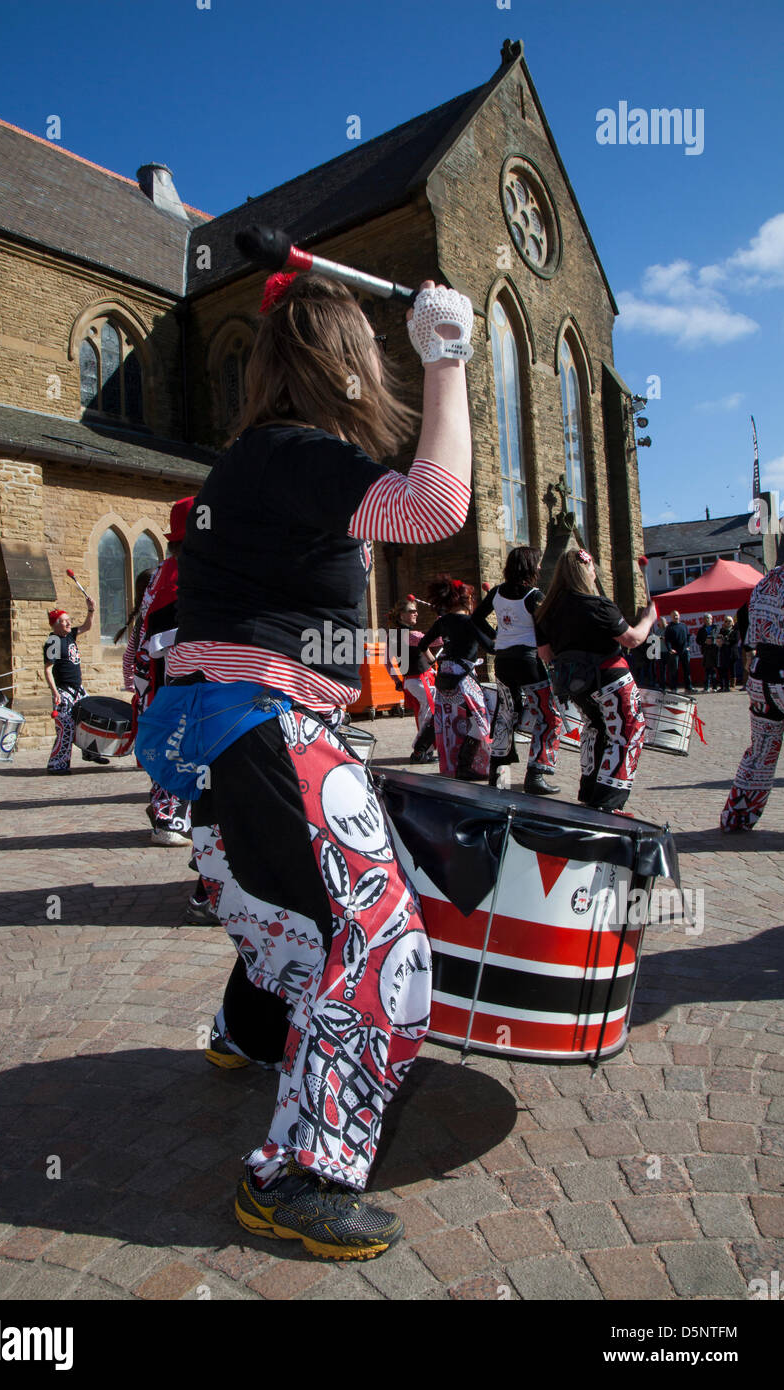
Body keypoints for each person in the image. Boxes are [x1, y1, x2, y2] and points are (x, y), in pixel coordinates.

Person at [154, 271, 473, 1259]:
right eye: (370, 354)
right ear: (341, 365)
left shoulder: (262, 462)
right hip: (255, 715)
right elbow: (435, 509)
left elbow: (308, 617)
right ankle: (298, 1174)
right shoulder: (295, 450)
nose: (378, 368)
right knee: (382, 942)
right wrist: (448, 358)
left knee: (285, 910)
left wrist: (336, 713)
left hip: (233, 717)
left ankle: (247, 1032)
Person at [535, 549, 655, 812]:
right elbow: (632, 639)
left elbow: (546, 654)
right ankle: (608, 799)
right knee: (627, 731)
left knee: (595, 729)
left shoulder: (546, 612)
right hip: (611, 678)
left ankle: (590, 791)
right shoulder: (598, 605)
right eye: (592, 569)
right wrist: (648, 619)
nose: (594, 574)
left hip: (576, 684)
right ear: (586, 572)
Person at [131, 500, 196, 849]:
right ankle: (167, 819)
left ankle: (175, 816)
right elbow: (161, 638)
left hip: (164, 682)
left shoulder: (166, 571)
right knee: (176, 748)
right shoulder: (178, 577)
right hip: (171, 681)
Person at [472, 545, 562, 794]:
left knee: (505, 714)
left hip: (503, 660)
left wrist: (495, 641)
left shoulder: (497, 593)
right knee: (548, 715)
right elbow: (546, 627)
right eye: (538, 563)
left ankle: (497, 770)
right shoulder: (533, 595)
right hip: (528, 660)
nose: (541, 567)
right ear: (530, 566)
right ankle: (537, 774)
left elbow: (476, 617)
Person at [721, 561, 784, 832]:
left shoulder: (767, 579)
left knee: (761, 751)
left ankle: (737, 816)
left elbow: (744, 619)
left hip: (763, 675)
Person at [416, 575, 492, 780]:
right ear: (466, 600)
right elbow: (492, 647)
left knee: (450, 722)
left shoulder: (444, 621)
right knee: (482, 720)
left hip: (445, 679)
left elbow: (423, 644)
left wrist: (434, 662)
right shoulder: (470, 621)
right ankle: (465, 765)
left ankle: (451, 763)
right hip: (464, 679)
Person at [44, 599, 102, 773]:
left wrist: (91, 610)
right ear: (55, 625)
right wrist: (55, 693)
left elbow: (86, 627)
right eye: (63, 620)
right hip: (64, 691)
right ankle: (57, 765)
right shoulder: (53, 641)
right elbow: (48, 669)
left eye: (68, 620)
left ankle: (90, 752)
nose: (68, 622)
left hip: (78, 689)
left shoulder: (69, 636)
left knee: (91, 718)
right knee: (66, 726)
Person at [385, 597, 439, 763]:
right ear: (402, 615)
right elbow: (438, 640)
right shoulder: (413, 635)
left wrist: (397, 681)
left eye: (416, 610)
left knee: (424, 714)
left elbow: (388, 663)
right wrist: (442, 621)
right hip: (421, 680)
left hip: (411, 681)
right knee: (432, 713)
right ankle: (421, 750)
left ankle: (425, 750)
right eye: (411, 611)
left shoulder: (392, 636)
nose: (416, 613)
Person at [664, 610, 695, 693]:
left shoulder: (683, 625)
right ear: (671, 617)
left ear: (679, 616)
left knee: (687, 670)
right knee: (674, 670)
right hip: (674, 652)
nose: (676, 617)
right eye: (674, 616)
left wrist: (688, 646)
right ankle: (673, 688)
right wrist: (670, 649)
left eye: (677, 615)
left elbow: (688, 636)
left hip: (684, 651)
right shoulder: (669, 627)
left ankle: (688, 687)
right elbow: (667, 640)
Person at [696, 613, 719, 693]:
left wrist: (713, 641)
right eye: (705, 618)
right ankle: (706, 687)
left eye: (708, 618)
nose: (707, 620)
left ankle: (715, 687)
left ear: (711, 619)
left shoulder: (716, 628)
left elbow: (718, 637)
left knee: (713, 670)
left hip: (714, 651)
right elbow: (698, 640)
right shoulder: (701, 629)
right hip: (706, 651)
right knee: (707, 670)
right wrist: (704, 641)